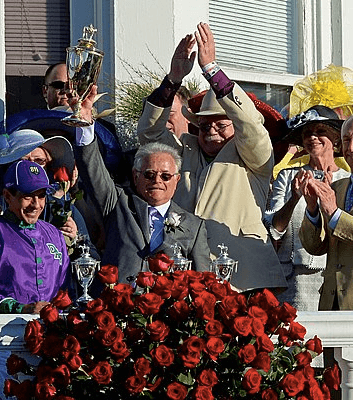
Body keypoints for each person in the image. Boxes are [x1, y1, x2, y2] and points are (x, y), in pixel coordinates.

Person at [137, 22, 286, 293]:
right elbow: (149, 134)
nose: (211, 131)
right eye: (205, 125)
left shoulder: (253, 155)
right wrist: (172, 80)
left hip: (245, 279)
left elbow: (250, 126)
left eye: (221, 124)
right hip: (188, 277)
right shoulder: (186, 149)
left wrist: (211, 70)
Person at [0, 160, 71, 398]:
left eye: (41, 196)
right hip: (1, 345)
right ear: (7, 196)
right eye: (27, 196)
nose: (36, 204)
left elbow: (65, 291)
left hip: (50, 350)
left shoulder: (54, 234)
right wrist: (19, 307)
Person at [74, 114, 211, 286]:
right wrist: (85, 125)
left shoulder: (193, 225)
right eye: (149, 174)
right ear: (136, 176)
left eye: (166, 176)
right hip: (117, 307)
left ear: (177, 180)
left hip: (166, 310)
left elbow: (203, 281)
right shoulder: (118, 203)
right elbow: (92, 171)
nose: (157, 181)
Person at [265, 106, 350, 311]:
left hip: (335, 279)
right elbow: (274, 231)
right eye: (307, 133)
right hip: (292, 279)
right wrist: (294, 198)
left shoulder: (346, 180)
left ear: (336, 139)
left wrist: (330, 199)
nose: (312, 137)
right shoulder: (288, 177)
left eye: (320, 131)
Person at [299, 115, 353, 310]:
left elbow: (337, 219)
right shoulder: (337, 187)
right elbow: (315, 247)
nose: (351, 148)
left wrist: (334, 212)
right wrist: (312, 208)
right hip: (332, 304)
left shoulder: (333, 194)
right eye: (346, 140)